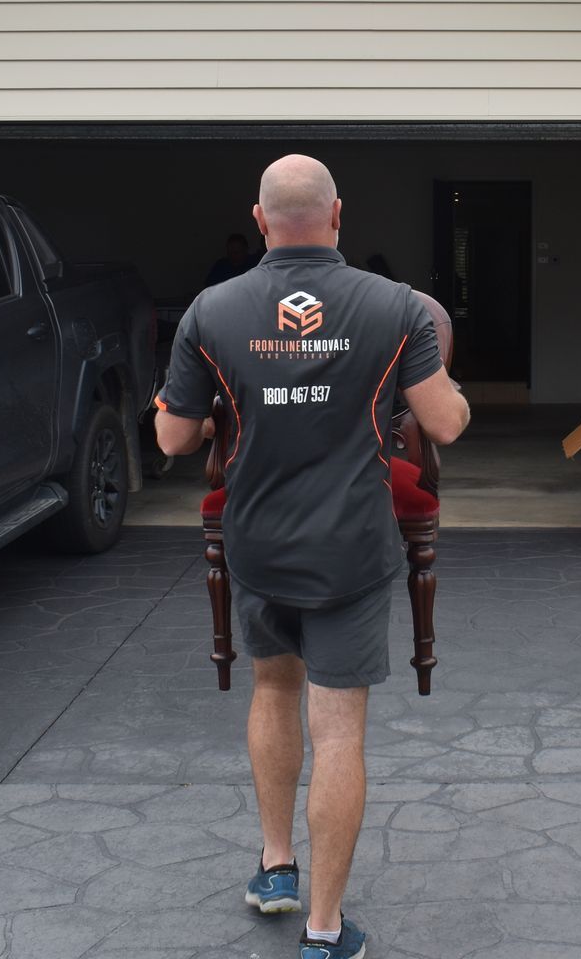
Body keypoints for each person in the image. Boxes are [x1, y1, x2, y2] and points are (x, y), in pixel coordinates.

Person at [155, 154, 470, 959]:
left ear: (259, 221)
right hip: (352, 552)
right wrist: (448, 385)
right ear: (339, 216)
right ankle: (325, 932)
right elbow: (446, 426)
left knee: (271, 688)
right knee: (338, 734)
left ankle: (276, 867)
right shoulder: (393, 306)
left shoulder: (212, 309)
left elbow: (172, 436)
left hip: (257, 545)